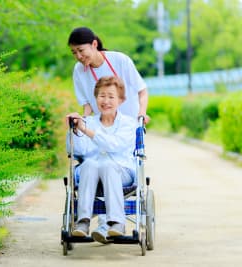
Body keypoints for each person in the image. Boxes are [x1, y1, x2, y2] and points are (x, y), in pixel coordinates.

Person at [68, 26, 149, 243]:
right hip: (98, 136)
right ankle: (84, 221)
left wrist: (140, 116)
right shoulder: (79, 71)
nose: (78, 57)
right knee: (93, 164)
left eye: (81, 51)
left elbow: (141, 89)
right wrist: (78, 128)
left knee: (107, 163)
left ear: (94, 44)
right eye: (74, 52)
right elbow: (87, 106)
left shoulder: (120, 60)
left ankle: (113, 223)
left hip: (122, 142)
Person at [66, 76, 136, 238]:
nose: (106, 101)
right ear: (96, 98)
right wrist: (75, 130)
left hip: (122, 172)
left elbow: (113, 145)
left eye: (111, 97)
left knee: (107, 165)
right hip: (90, 174)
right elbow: (76, 151)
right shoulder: (88, 122)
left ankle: (117, 222)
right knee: (89, 162)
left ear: (120, 100)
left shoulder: (128, 124)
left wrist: (86, 130)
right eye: (102, 96)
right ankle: (83, 221)